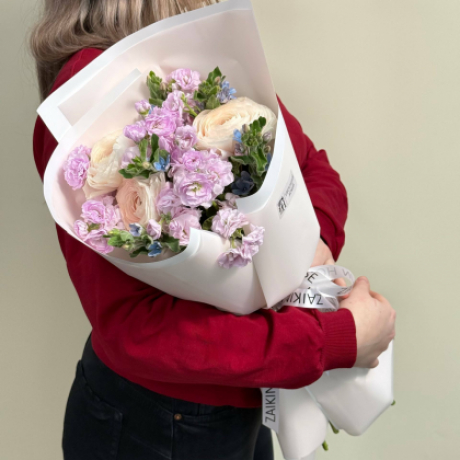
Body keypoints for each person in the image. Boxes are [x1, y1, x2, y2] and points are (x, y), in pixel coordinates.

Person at [30, 1, 396, 459]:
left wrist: (307, 247)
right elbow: (135, 328)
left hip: (245, 395)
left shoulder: (197, 49)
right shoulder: (88, 88)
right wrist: (332, 341)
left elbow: (313, 169)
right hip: (157, 422)